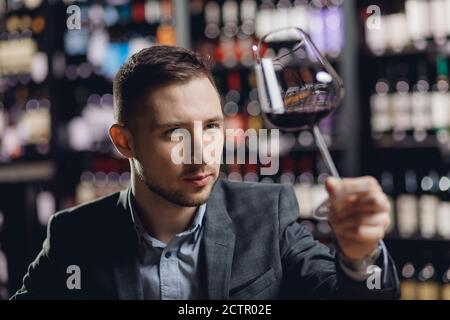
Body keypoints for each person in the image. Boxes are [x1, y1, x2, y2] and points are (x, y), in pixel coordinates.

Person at [12, 46, 399, 300]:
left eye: (212, 127)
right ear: (124, 142)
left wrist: (361, 257)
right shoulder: (74, 237)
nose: (200, 154)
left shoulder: (268, 214)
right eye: (174, 133)